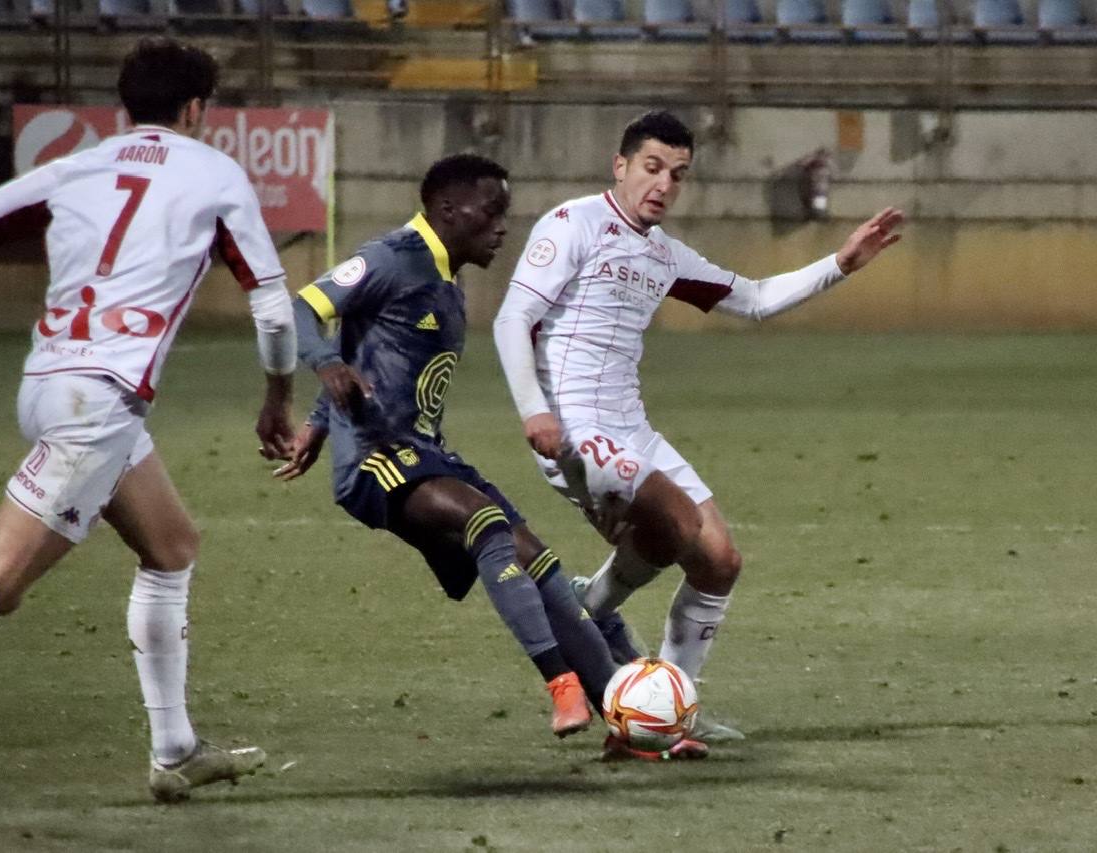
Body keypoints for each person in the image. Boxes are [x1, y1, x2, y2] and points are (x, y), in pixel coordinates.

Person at [0, 37, 298, 803]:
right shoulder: (216, 174)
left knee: (171, 545)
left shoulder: (80, 165)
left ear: (124, 106)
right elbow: (273, 307)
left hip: (47, 384)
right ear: (197, 110)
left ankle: (174, 749)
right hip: (99, 400)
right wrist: (277, 394)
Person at [493, 109, 905, 744]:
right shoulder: (573, 224)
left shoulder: (665, 256)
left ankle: (666, 713)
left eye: (678, 174)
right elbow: (511, 319)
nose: (663, 184)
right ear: (621, 166)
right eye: (652, 168)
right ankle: (592, 613)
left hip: (631, 427)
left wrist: (842, 263)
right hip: (575, 430)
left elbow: (758, 299)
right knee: (679, 522)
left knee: (719, 562)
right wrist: (534, 410)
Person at [274, 154, 685, 754]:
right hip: (374, 457)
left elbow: (364, 346)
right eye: (491, 211)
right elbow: (303, 308)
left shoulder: (443, 278)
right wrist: (324, 369)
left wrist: (318, 413)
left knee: (538, 561)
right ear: (447, 210)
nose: (501, 226)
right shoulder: (394, 256)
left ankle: (625, 725)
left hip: (422, 451)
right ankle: (560, 684)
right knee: (485, 525)